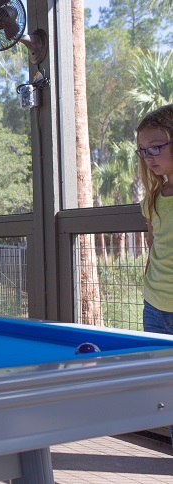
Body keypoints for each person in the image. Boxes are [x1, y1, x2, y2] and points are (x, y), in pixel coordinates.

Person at [136, 105, 173, 445]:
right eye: (143, 150)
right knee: (168, 394)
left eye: (157, 146)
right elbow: (155, 249)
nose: (149, 156)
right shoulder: (153, 199)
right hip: (154, 309)